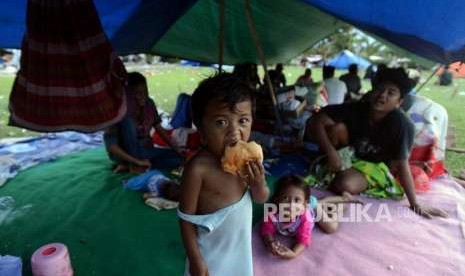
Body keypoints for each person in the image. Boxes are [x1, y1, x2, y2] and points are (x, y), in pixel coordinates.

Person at [307, 68, 448, 219]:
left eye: (391, 93)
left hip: (375, 167)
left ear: (398, 102)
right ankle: (335, 169)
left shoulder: (403, 125)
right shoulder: (358, 108)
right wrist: (331, 152)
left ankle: (337, 175)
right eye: (380, 89)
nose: (382, 95)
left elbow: (402, 164)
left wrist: (415, 204)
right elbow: (317, 120)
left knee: (345, 184)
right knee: (337, 128)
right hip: (348, 155)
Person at [178, 73, 270, 276]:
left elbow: (261, 198)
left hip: (239, 252)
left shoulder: (248, 162)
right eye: (221, 122)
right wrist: (196, 259)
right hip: (209, 256)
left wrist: (258, 184)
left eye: (243, 121)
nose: (234, 132)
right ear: (201, 128)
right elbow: (185, 220)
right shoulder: (197, 169)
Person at [261, 174, 363, 259]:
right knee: (317, 203)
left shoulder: (305, 218)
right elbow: (266, 230)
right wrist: (270, 242)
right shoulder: (272, 214)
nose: (291, 204)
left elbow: (303, 239)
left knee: (331, 227)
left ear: (304, 204)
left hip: (311, 209)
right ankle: (326, 201)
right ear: (277, 200)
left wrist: (294, 253)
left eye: (296, 200)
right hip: (308, 203)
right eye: (286, 198)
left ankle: (340, 206)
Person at [104, 72, 183, 172]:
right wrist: (136, 161)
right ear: (127, 95)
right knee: (127, 120)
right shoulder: (119, 111)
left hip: (146, 151)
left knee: (178, 158)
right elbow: (112, 147)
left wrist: (176, 148)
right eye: (136, 93)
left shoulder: (149, 103)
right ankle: (133, 164)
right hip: (126, 154)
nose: (142, 96)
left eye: (144, 92)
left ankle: (135, 166)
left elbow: (159, 128)